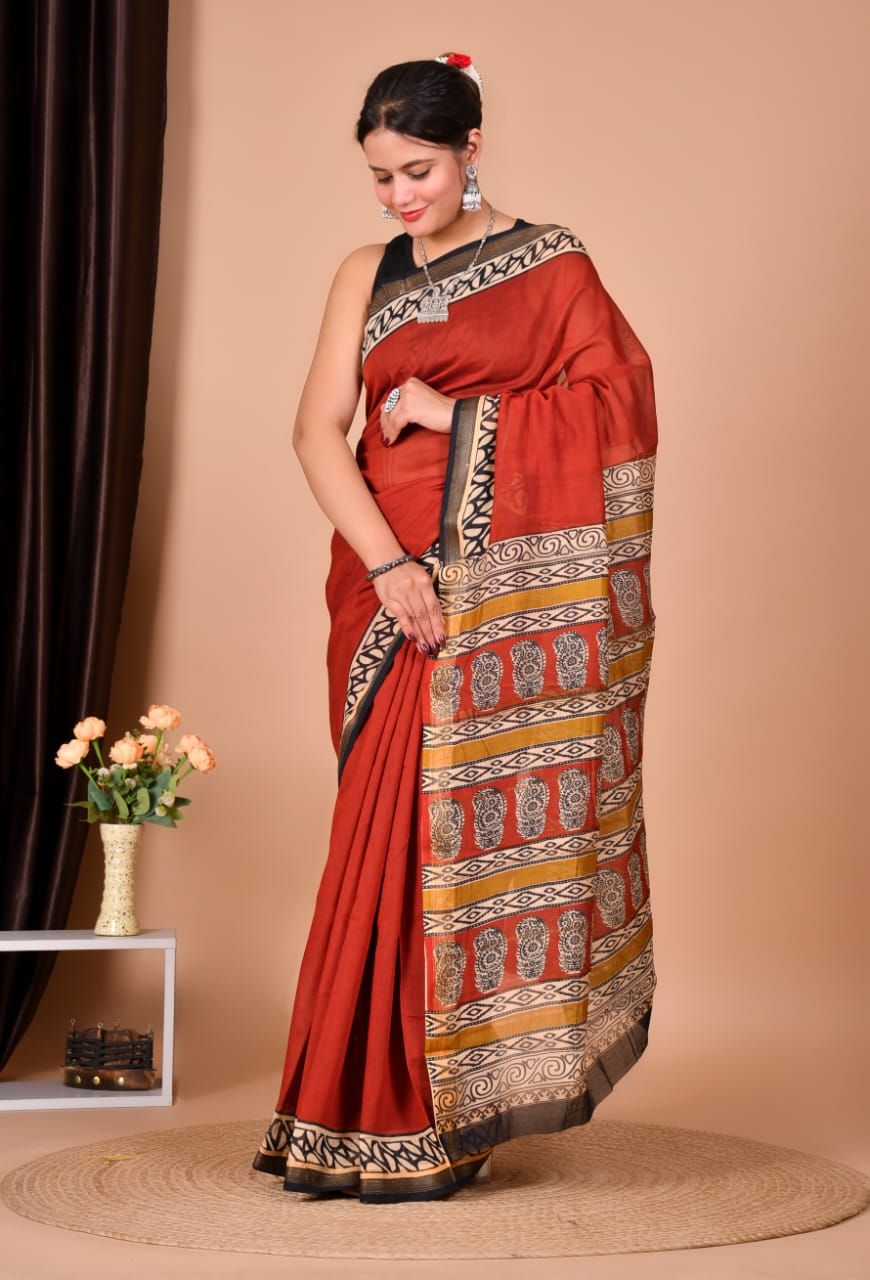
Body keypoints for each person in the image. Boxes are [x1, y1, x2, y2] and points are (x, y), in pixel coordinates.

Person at [253, 53, 658, 1204]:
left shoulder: (555, 262)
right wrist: (388, 566)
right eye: (380, 176)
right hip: (392, 594)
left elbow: (620, 407)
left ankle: (448, 1114)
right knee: (377, 845)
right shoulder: (363, 272)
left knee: (459, 848)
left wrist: (459, 411)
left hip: (502, 596)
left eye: (417, 171)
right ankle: (345, 1110)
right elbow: (316, 431)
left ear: (471, 147)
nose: (397, 198)